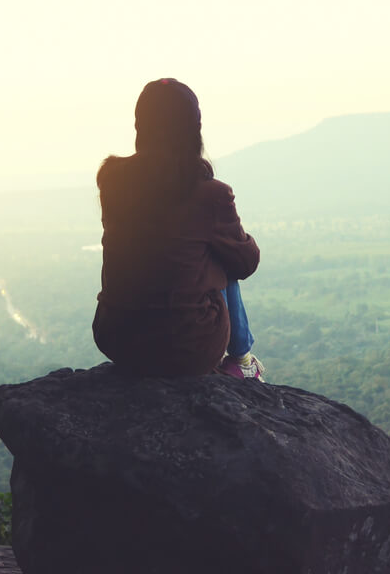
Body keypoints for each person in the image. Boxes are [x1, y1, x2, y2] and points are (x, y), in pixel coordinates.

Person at [92, 78, 265, 379]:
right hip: (186, 349)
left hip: (117, 339)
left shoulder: (112, 181)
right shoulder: (208, 193)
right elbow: (246, 262)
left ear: (140, 126)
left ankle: (242, 358)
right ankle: (242, 360)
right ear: (192, 129)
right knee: (223, 254)